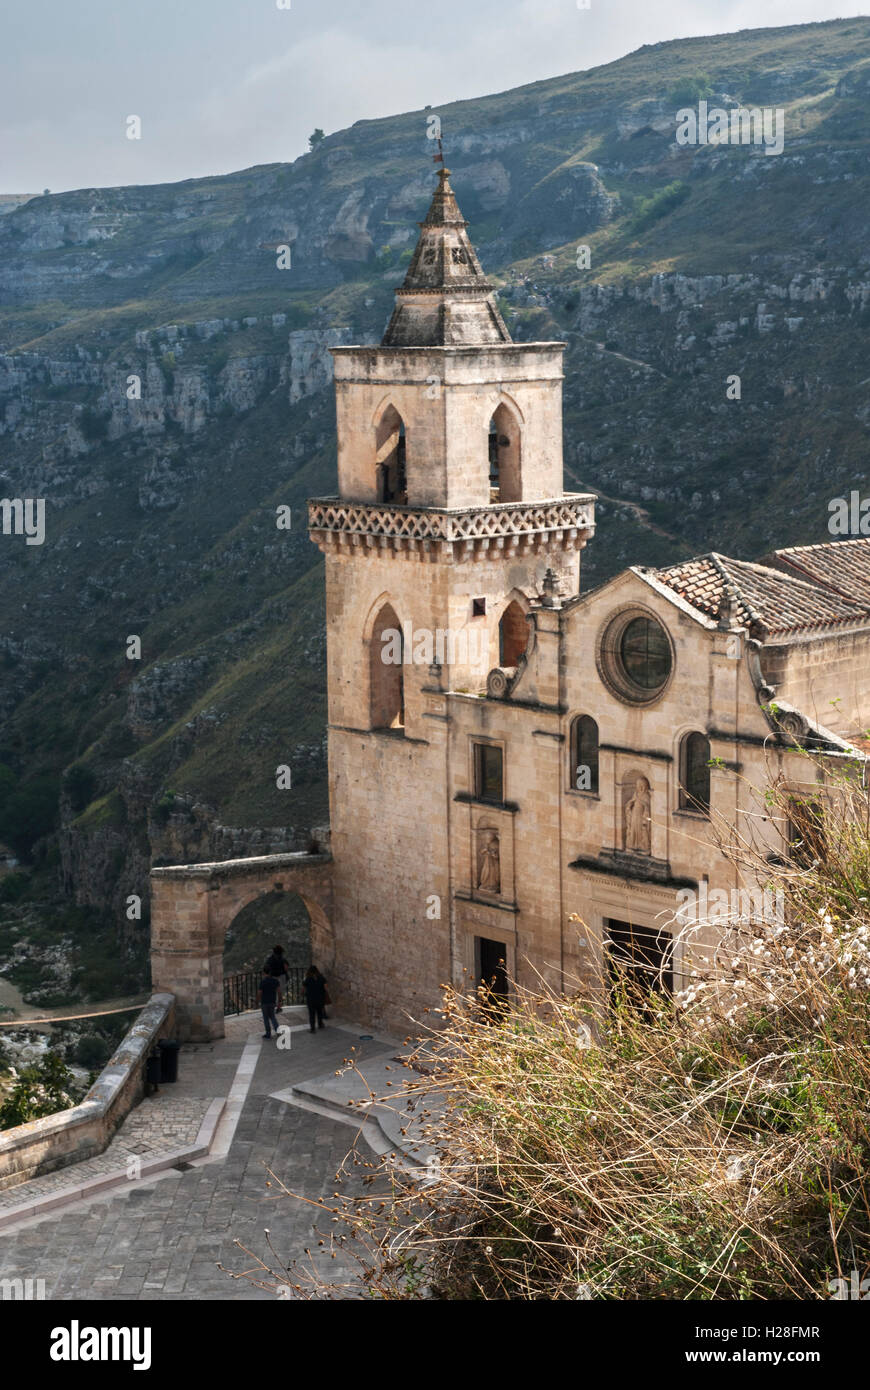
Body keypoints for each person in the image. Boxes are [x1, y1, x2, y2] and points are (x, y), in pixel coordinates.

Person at [264, 944, 289, 1012]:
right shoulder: (282, 959)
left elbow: (266, 968)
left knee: (273, 992)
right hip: (281, 977)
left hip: (272, 977)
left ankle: (272, 1006)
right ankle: (278, 1006)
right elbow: (286, 968)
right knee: (280, 992)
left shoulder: (270, 959)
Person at [257, 971, 282, 1039]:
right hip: (272, 1002)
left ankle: (268, 1034)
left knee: (266, 1018)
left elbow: (259, 993)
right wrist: (280, 1001)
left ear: (264, 973)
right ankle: (278, 1031)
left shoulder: (263, 982)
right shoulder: (275, 981)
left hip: (264, 1002)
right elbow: (279, 992)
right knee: (273, 1017)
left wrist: (257, 1002)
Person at [303, 965, 327, 1033]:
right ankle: (320, 1024)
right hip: (320, 998)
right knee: (319, 1012)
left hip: (311, 999)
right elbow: (325, 987)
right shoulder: (321, 977)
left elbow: (303, 988)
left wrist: (304, 994)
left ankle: (312, 1029)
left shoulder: (308, 978)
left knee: (312, 1014)